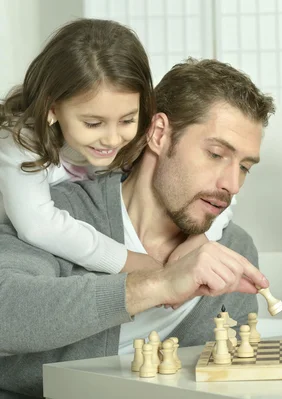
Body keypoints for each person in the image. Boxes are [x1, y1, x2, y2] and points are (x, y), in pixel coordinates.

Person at [0, 57, 276, 399]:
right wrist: (159, 284)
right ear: (159, 134)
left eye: (245, 167)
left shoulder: (234, 251)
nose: (232, 184)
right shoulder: (62, 213)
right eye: (216, 154)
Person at [0, 18, 235, 279]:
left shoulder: (145, 133)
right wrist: (132, 262)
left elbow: (219, 192)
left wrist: (198, 239)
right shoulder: (20, 140)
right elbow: (38, 227)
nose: (112, 139)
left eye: (127, 120)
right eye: (93, 123)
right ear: (52, 108)